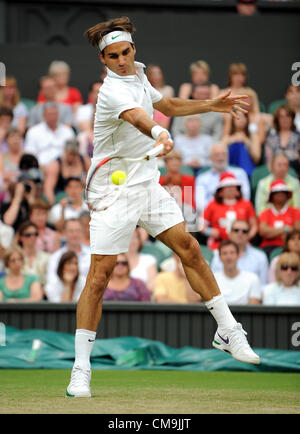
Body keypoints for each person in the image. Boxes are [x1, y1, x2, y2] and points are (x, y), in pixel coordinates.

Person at [66, 16, 260, 399]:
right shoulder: (110, 91)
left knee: (189, 248)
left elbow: (164, 103)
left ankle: (227, 330)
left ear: (133, 50)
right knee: (99, 277)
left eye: (125, 52)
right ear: (103, 60)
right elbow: (142, 119)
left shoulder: (137, 75)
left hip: (146, 183)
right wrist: (159, 132)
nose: (121, 60)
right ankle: (80, 370)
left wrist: (211, 104)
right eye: (113, 56)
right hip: (111, 192)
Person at [201, 172, 257, 250]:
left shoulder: (246, 204)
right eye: (227, 186)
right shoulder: (212, 204)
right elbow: (200, 224)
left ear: (238, 191)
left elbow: (254, 226)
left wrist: (246, 236)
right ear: (220, 192)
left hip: (242, 245)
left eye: (233, 186)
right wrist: (209, 231)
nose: (230, 189)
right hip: (217, 245)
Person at [195, 143, 250, 212]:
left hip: (237, 214)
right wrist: (218, 211)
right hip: (211, 216)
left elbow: (245, 197)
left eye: (223, 154)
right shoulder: (202, 178)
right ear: (210, 157)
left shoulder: (240, 173)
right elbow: (200, 204)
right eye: (217, 155)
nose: (221, 158)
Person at [211, 219, 269, 285]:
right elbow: (213, 284)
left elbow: (263, 285)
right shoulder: (218, 255)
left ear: (249, 235)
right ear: (230, 233)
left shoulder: (260, 257)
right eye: (236, 230)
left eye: (244, 231)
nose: (240, 233)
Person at [45, 218, 91, 302]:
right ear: (64, 233)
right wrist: (68, 283)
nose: (75, 234)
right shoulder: (55, 257)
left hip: (87, 299)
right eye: (71, 231)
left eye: (78, 231)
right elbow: (51, 282)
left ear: (82, 232)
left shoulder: (91, 255)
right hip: (59, 299)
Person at [24, 102, 75, 168]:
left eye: (54, 114)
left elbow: (73, 153)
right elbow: (30, 154)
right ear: (43, 115)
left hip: (64, 169)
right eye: (50, 114)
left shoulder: (68, 131)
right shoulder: (33, 131)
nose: (52, 117)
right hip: (40, 168)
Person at [258, 179, 300, 258]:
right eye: (277, 193)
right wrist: (285, 228)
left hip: (291, 247)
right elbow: (263, 231)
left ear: (287, 195)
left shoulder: (295, 211)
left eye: (283, 192)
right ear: (272, 196)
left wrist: (272, 231)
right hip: (268, 247)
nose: (280, 195)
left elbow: (297, 229)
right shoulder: (265, 213)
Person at [44, 138, 90, 205]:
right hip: (61, 196)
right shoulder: (55, 165)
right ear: (65, 151)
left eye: (74, 154)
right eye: (70, 154)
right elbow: (48, 188)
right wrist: (53, 205)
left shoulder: (84, 161)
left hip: (80, 196)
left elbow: (93, 180)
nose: (72, 157)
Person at [213, 240, 262, 305]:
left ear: (238, 255)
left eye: (232, 253)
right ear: (220, 257)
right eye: (224, 253)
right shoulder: (213, 279)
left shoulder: (253, 278)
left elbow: (253, 309)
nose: (229, 257)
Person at [221, 111, 262, 176]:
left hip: (247, 171)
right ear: (233, 119)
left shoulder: (253, 136)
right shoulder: (227, 137)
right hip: (229, 170)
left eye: (244, 117)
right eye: (238, 116)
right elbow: (220, 151)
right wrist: (233, 140)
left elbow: (256, 158)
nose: (241, 119)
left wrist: (246, 141)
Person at [263, 105, 300, 174]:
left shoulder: (298, 136)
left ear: (292, 118)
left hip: (296, 172)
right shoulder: (271, 137)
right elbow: (268, 159)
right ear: (277, 120)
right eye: (282, 117)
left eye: (288, 116)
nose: (285, 119)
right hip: (275, 172)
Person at [16, 221, 50, 294]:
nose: (33, 237)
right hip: (20, 296)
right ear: (21, 238)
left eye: (35, 234)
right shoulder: (14, 258)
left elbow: (51, 281)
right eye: (28, 235)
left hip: (43, 297)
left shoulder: (47, 257)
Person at [127, 227, 157, 292]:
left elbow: (152, 283)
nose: (133, 241)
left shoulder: (149, 260)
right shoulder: (116, 260)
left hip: (142, 299)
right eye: (129, 238)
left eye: (136, 238)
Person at [146, 64, 175, 129]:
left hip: (164, 122)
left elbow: (167, 109)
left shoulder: (168, 89)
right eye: (153, 73)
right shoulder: (145, 90)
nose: (156, 76)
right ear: (148, 75)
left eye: (158, 73)